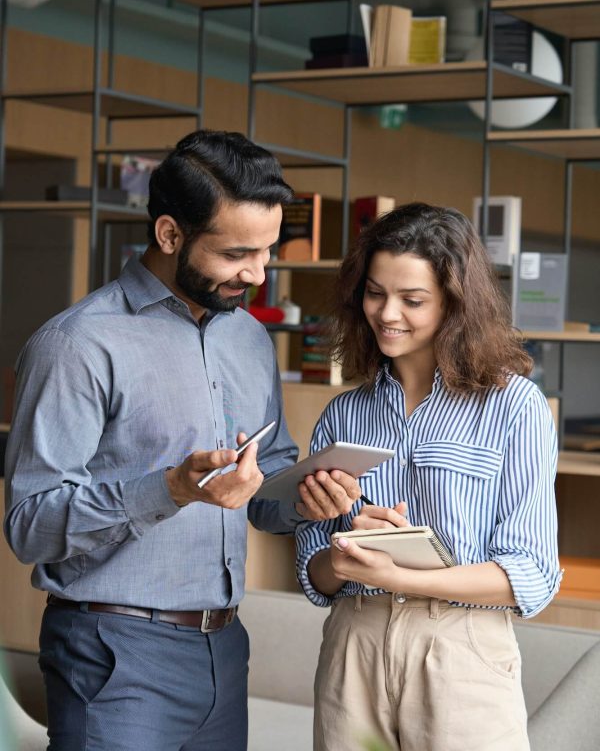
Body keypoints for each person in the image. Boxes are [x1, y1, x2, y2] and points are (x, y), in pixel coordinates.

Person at [3, 129, 360, 751]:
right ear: (170, 235)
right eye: (236, 254)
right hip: (113, 655)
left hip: (224, 649)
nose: (257, 273)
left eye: (268, 251)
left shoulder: (247, 336)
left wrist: (308, 498)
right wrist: (169, 488)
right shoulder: (78, 345)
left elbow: (264, 489)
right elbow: (30, 527)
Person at [295, 202, 562, 751]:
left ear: (456, 304)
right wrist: (342, 555)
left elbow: (529, 573)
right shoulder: (344, 415)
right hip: (355, 644)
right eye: (375, 293)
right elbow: (314, 574)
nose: (387, 313)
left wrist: (401, 577)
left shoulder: (515, 407)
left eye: (413, 300)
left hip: (461, 647)